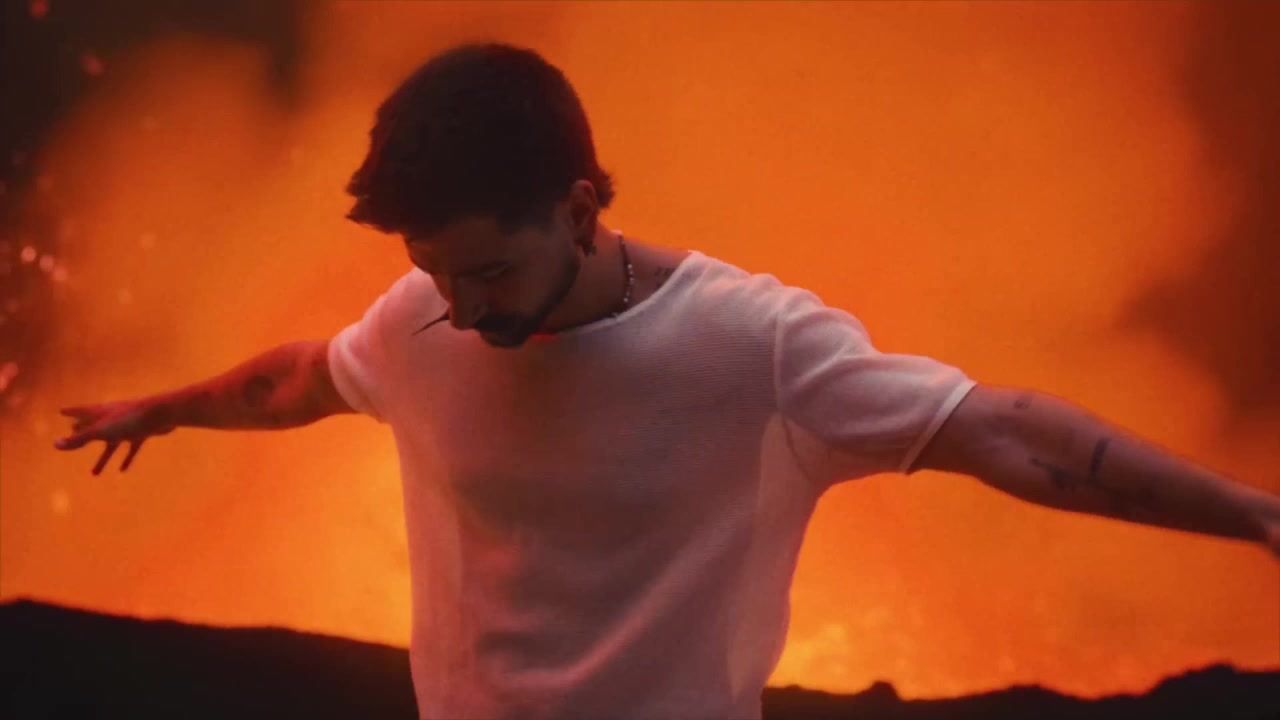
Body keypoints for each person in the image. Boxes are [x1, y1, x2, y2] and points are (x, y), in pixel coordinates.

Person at [54, 42, 1280, 720]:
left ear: (581, 208)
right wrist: (162, 410)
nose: (459, 310)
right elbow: (301, 380)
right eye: (434, 273)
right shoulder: (420, 316)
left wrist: (1253, 517)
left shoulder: (756, 346)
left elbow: (1011, 436)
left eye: (488, 271)